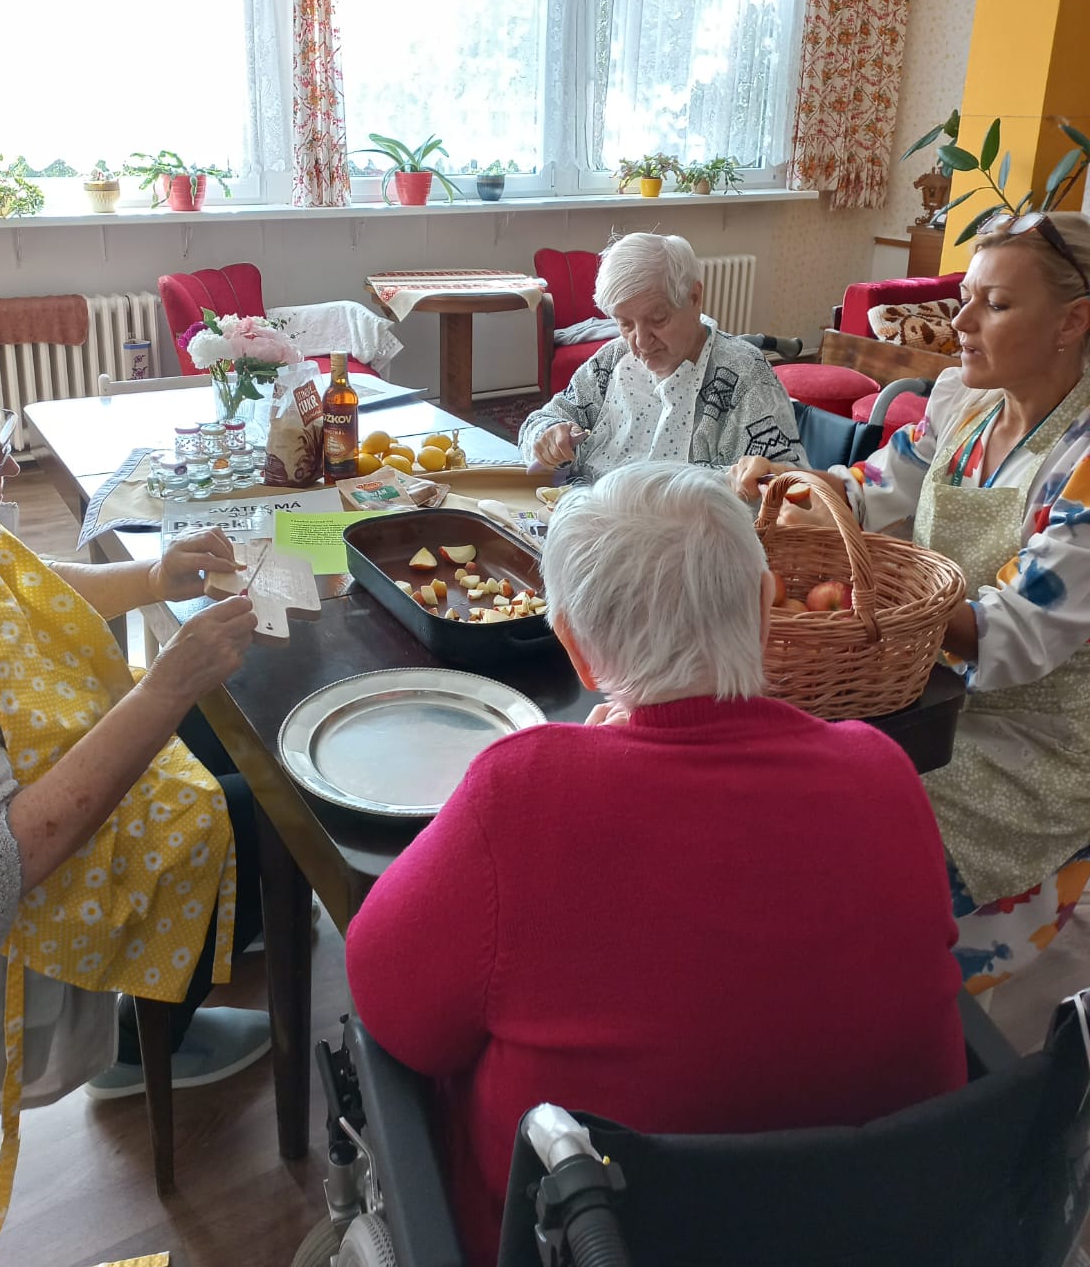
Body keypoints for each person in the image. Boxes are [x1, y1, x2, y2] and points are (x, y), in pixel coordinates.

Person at [345, 463, 966, 1267]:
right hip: (878, 1234)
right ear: (763, 606)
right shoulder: (882, 771)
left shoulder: (524, 794)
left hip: (594, 1240)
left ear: (576, 648)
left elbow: (394, 1012)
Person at [0, 325, 265, 1217]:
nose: (5, 471)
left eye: (1, 444)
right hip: (21, 864)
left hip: (40, 758)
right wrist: (166, 684)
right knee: (267, 817)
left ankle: (194, 954)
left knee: (237, 749)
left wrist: (155, 577)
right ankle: (144, 1035)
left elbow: (25, 581)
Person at [731, 210, 1090, 992]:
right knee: (772, 785)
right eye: (965, 298)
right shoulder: (965, 403)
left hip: (1030, 738)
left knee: (841, 826)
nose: (960, 323)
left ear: (1073, 323)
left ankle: (880, 995)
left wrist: (864, 582)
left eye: (995, 304)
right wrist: (796, 485)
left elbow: (1012, 634)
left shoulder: (1083, 461)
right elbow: (871, 488)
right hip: (921, 687)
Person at [519, 232, 805, 482]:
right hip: (589, 511)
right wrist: (548, 436)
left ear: (694, 298)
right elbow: (542, 420)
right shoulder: (614, 358)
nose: (640, 341)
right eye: (625, 324)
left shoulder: (744, 376)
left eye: (658, 319)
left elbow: (785, 485)